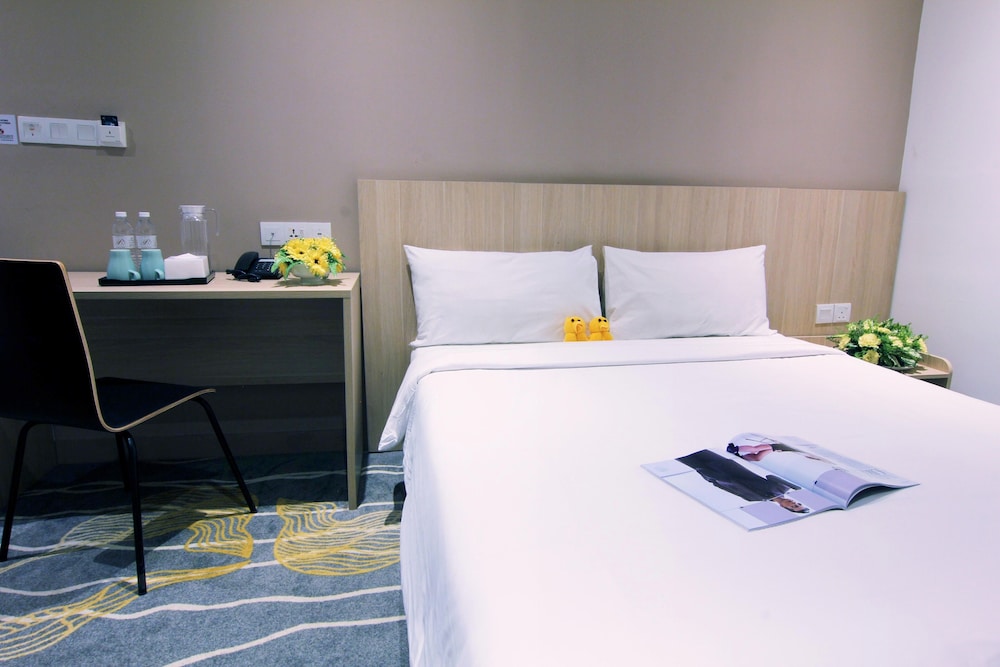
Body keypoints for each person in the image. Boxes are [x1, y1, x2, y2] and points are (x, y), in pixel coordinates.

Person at [678, 449, 809, 513]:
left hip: (712, 474)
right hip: (726, 465)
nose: (794, 503)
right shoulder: (783, 487)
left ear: (785, 508)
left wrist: (711, 479)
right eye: (798, 503)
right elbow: (770, 476)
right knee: (697, 449)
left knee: (682, 456)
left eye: (794, 507)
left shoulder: (753, 499)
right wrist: (792, 486)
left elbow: (727, 489)